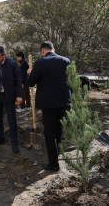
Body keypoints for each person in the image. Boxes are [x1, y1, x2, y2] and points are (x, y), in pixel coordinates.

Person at [28, 41, 72, 171]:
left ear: (43, 51)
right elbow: (71, 80)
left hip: (49, 103)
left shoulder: (40, 62)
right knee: (58, 128)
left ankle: (53, 163)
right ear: (54, 49)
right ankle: (56, 152)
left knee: (49, 132)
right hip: (64, 101)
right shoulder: (66, 60)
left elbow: (31, 82)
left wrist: (30, 73)